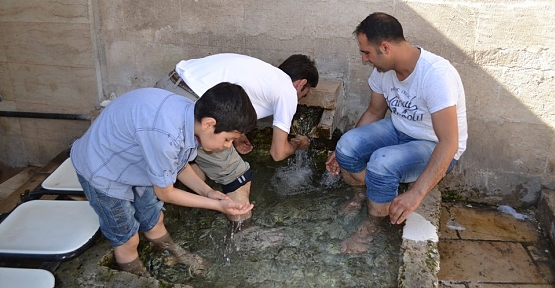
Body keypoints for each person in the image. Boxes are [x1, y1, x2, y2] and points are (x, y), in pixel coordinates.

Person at [70, 83, 258, 277]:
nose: (228, 146)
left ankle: (174, 252)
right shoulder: (166, 135)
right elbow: (166, 193)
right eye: (227, 139)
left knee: (154, 220)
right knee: (128, 240)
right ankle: (139, 276)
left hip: (135, 163)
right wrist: (216, 205)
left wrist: (208, 192)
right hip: (103, 171)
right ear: (209, 124)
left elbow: (178, 165)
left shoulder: (188, 116)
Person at [325, 12, 467, 254]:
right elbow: (374, 111)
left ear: (385, 47)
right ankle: (364, 195)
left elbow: (449, 142)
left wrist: (416, 194)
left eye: (366, 52)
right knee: (346, 145)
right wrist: (342, 153)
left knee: (382, 163)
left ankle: (373, 226)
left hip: (433, 144)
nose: (364, 59)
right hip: (399, 128)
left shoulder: (436, 75)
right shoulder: (383, 71)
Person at [154, 53, 319, 223]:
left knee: (192, 168)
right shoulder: (287, 90)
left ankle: (170, 210)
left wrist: (238, 136)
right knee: (238, 177)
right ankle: (244, 234)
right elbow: (278, 153)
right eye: (304, 94)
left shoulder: (263, 73)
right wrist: (298, 143)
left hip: (168, 88)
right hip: (195, 102)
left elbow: (229, 101)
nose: (300, 99)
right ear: (301, 84)